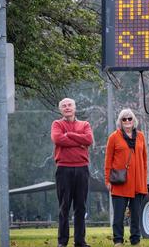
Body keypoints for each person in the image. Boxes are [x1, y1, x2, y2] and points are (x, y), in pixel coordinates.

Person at [50, 98, 93, 247]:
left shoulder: (85, 124)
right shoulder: (57, 124)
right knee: (64, 206)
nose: (67, 108)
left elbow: (89, 139)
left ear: (75, 108)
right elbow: (58, 139)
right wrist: (79, 142)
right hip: (63, 169)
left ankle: (80, 241)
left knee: (80, 207)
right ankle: (62, 242)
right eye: (64, 106)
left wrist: (69, 135)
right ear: (60, 109)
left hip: (82, 169)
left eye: (69, 105)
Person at [105, 109, 148, 247]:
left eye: (130, 118)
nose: (127, 121)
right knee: (118, 215)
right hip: (120, 182)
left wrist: (144, 179)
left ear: (133, 120)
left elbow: (144, 160)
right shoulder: (114, 137)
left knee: (136, 215)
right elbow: (108, 160)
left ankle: (135, 240)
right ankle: (118, 240)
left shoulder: (140, 136)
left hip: (137, 182)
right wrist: (107, 180)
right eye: (124, 119)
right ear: (120, 122)